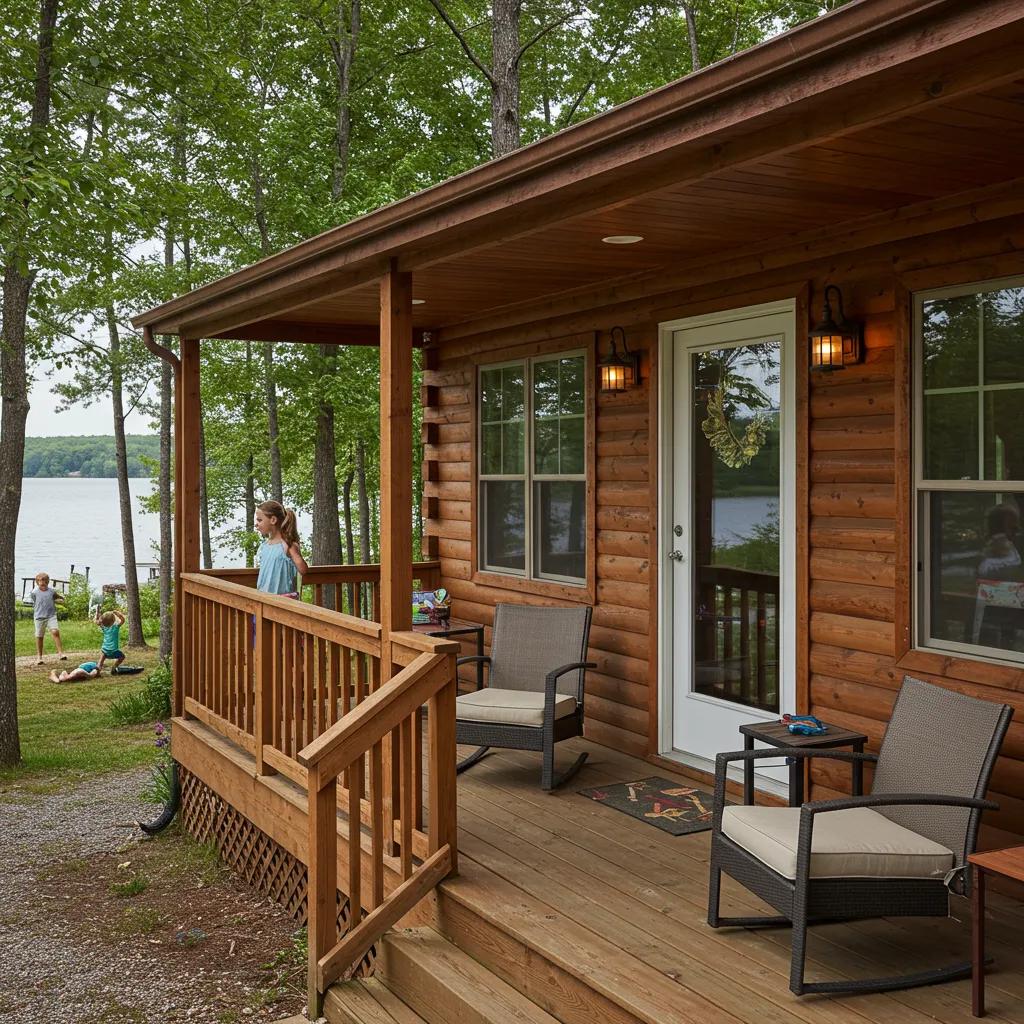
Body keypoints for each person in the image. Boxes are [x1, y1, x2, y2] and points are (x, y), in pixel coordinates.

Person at [254, 500, 308, 596]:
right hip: (264, 599)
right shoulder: (264, 546)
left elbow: (303, 570)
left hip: (284, 601)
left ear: (273, 520)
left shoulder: (288, 545)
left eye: (259, 520)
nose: (256, 524)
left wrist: (293, 551)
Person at [27, 572, 67, 665]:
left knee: (55, 632)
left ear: (48, 581)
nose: (42, 582)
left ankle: (61, 653)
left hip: (51, 616)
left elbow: (56, 597)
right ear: (37, 582)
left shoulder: (51, 591)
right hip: (39, 617)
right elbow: (33, 601)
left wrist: (62, 599)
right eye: (40, 580)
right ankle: (39, 657)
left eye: (44, 580)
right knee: (40, 636)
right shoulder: (34, 592)